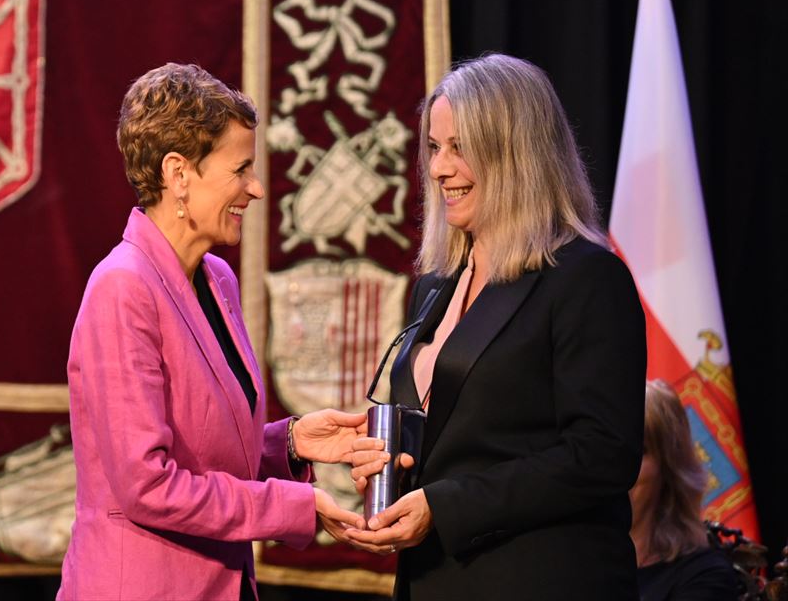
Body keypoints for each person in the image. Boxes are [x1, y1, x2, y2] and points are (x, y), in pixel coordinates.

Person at [58, 63, 367, 601]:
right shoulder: (121, 288)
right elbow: (148, 486)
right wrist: (290, 505)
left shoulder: (216, 280)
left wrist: (289, 443)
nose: (257, 188)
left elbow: (202, 451)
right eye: (241, 169)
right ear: (179, 173)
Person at [347, 54, 647, 600]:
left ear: (518, 153)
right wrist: (390, 466)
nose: (439, 168)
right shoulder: (435, 285)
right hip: (437, 580)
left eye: (461, 147)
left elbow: (602, 454)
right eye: (435, 148)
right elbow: (452, 433)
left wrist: (447, 505)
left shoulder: (585, 278)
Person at [632, 379, 738, 601]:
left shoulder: (704, 575)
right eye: (607, 453)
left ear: (669, 467)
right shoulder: (567, 563)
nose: (617, 470)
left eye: (638, 452)